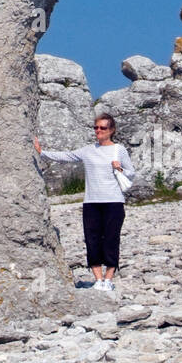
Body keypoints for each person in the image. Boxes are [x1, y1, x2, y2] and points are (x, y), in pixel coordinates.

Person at [34, 114, 136, 293]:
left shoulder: (118, 150)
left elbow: (131, 173)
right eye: (96, 127)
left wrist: (118, 167)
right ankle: (98, 279)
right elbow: (67, 156)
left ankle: (109, 279)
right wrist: (42, 152)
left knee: (111, 239)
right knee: (92, 240)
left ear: (111, 130)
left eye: (102, 128)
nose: (98, 131)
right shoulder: (88, 150)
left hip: (113, 202)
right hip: (91, 202)